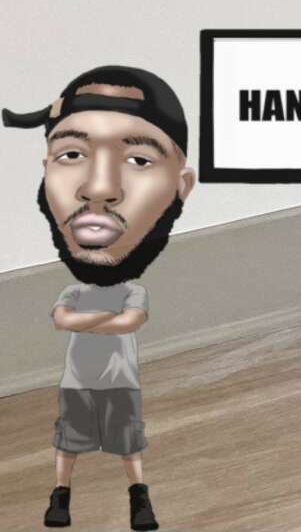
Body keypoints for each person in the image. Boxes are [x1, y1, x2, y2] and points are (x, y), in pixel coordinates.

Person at [4, 67, 196, 532]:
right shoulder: (78, 290)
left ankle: (139, 498)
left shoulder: (129, 291)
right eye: (72, 154)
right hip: (77, 387)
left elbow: (118, 322)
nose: (99, 188)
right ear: (46, 170)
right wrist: (102, 321)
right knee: (68, 444)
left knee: (128, 446)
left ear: (181, 186)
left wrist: (82, 321)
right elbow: (73, 320)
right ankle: (61, 497)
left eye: (139, 160)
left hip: (120, 387)